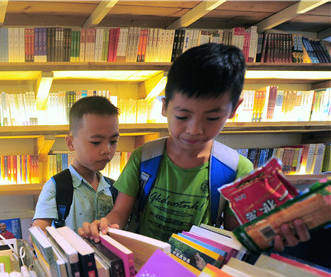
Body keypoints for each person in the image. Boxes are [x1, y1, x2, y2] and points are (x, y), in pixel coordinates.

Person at [80, 43, 309, 250]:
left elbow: (232, 237)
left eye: (211, 118)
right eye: (182, 116)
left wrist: (268, 238)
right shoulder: (143, 157)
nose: (194, 129)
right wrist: (104, 226)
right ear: (164, 107)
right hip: (144, 264)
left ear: (234, 109)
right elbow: (119, 213)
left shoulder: (238, 170)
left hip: (199, 273)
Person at [32, 95, 120, 231]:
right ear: (71, 143)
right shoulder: (56, 187)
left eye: (113, 141)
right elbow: (37, 237)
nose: (106, 150)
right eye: (96, 142)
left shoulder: (113, 188)